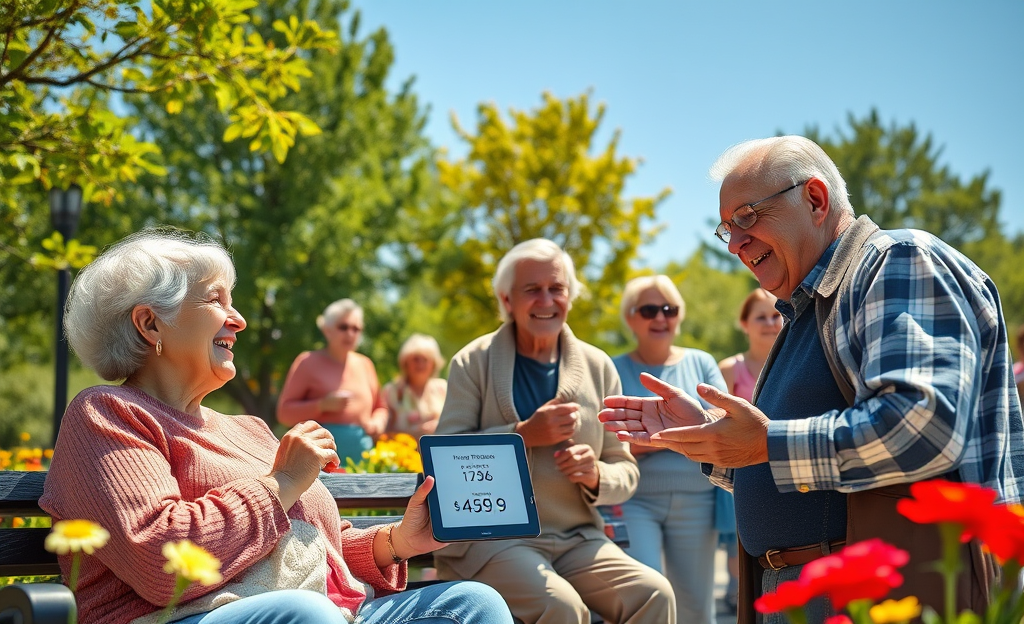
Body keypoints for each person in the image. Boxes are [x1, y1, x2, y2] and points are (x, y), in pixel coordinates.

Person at [599, 136, 1024, 624]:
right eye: (726, 230)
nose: (735, 244)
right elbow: (805, 474)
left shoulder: (896, 261)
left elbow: (922, 426)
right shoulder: (810, 308)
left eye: (746, 218)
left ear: (815, 199)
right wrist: (712, 437)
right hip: (811, 596)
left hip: (884, 598)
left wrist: (766, 445)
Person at [40, 231, 513, 624]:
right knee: (307, 614)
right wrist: (281, 482)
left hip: (316, 609)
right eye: (215, 300)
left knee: (473, 604)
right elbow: (161, 561)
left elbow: (306, 551)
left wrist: (396, 543)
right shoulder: (107, 414)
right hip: (178, 616)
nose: (239, 320)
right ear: (150, 323)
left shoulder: (248, 429)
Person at [434, 238, 675, 624]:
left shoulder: (599, 367)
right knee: (560, 607)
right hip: (493, 543)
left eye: (556, 288)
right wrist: (523, 434)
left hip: (577, 539)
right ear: (507, 300)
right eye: (532, 290)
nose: (546, 300)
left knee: (654, 594)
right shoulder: (472, 361)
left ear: (570, 296)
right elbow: (444, 459)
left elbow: (625, 471)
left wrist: (595, 474)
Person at [611, 275, 727, 624]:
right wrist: (682, 435)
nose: (660, 317)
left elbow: (721, 423)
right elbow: (607, 440)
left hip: (698, 500)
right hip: (634, 501)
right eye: (648, 310)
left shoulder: (702, 362)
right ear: (630, 318)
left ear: (679, 316)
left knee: (695, 607)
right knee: (646, 597)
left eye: (669, 309)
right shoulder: (612, 369)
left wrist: (648, 437)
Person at [715, 287, 783, 612]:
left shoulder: (791, 364)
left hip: (784, 464)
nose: (770, 323)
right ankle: (739, 592)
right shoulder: (730, 368)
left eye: (775, 315)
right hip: (739, 470)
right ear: (744, 324)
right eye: (761, 317)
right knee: (736, 538)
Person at [277, 299, 388, 466]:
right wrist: (322, 405)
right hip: (317, 463)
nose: (350, 333)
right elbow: (284, 414)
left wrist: (377, 423)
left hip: (362, 462)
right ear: (327, 330)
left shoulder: (365, 364)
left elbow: (381, 408)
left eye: (356, 329)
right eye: (343, 327)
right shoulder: (307, 362)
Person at [383, 334, 448, 439]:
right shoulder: (392, 391)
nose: (420, 364)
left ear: (434, 364)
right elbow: (382, 432)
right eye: (416, 359)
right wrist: (413, 434)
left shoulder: (443, 388)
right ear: (405, 362)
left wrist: (439, 426)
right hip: (402, 452)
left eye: (425, 359)